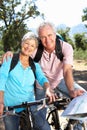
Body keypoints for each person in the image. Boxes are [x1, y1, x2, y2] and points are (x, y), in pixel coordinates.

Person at [3, 22, 85, 99]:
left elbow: (67, 70)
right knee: (39, 112)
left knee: (82, 95)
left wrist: (71, 90)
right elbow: (22, 55)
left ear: (55, 34)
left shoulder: (66, 47)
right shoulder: (36, 50)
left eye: (50, 35)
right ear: (39, 39)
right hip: (41, 84)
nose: (47, 40)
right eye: (43, 37)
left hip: (60, 80)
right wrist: (11, 54)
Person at [0, 32, 56, 130]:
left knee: (42, 126)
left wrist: (47, 88)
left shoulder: (35, 65)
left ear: (34, 49)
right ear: (22, 43)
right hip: (10, 107)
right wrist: (0, 102)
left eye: (32, 45)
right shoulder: (10, 60)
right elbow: (2, 80)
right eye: (26, 43)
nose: (28, 47)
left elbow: (42, 78)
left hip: (29, 106)